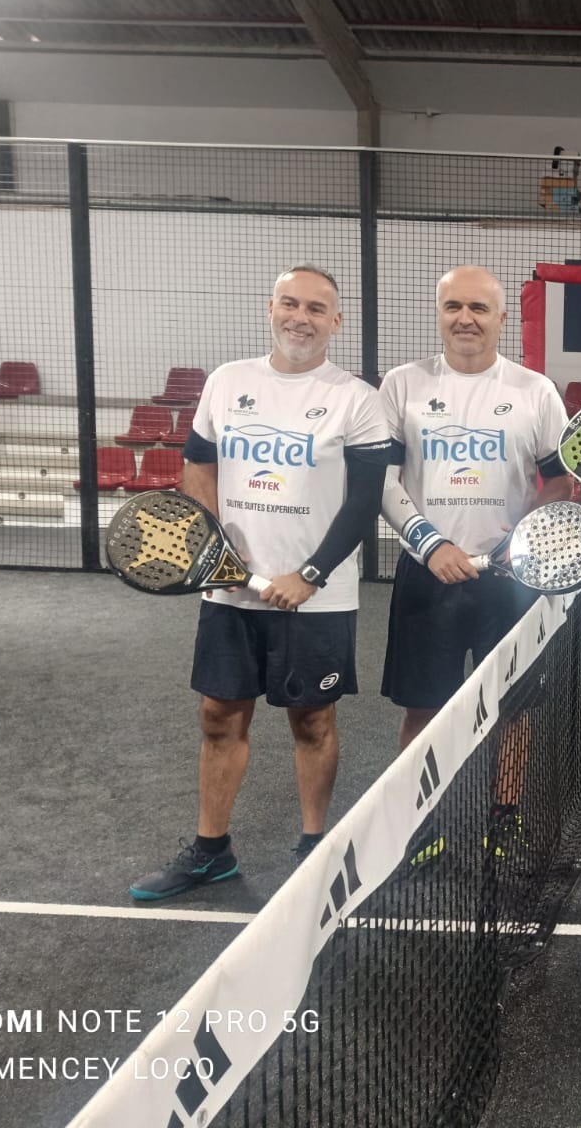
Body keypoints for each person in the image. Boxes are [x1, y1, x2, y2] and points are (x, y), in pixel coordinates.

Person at [130, 265, 393, 901]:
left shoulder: (357, 399)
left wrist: (309, 576)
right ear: (270, 309)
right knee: (218, 715)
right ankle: (211, 852)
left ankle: (313, 848)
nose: (300, 317)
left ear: (336, 322)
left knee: (312, 719)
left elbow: (364, 502)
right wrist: (212, 551)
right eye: (289, 304)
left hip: (318, 599)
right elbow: (199, 465)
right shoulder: (227, 382)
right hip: (231, 592)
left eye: (316, 308)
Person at [378, 266, 572, 856]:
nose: (465, 318)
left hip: (509, 579)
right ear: (439, 313)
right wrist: (431, 544)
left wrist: (522, 541)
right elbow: (384, 481)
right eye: (453, 307)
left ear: (501, 318)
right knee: (425, 708)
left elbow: (559, 484)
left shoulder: (535, 391)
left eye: (479, 308)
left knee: (514, 706)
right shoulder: (401, 385)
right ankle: (421, 826)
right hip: (426, 574)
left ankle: (504, 818)